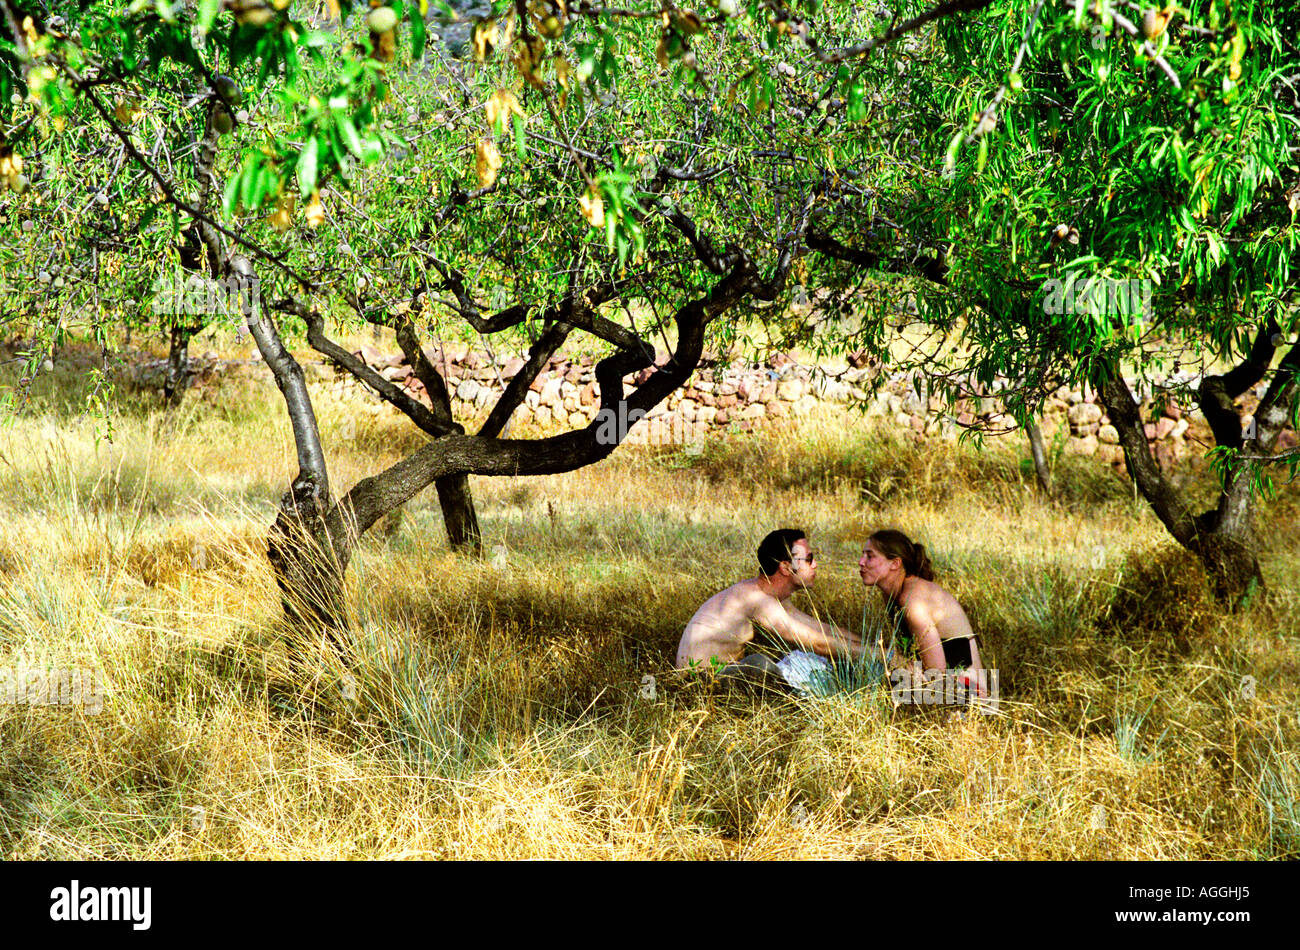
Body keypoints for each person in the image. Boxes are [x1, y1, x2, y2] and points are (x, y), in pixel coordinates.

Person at [675, 529, 868, 693]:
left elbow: (821, 631)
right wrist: (882, 657)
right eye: (808, 559)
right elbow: (819, 644)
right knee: (761, 665)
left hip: (719, 675)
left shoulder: (771, 596)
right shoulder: (756, 599)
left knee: (804, 659)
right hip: (699, 683)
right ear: (785, 567)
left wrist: (876, 648)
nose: (815, 564)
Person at [858, 529, 987, 700]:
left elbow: (936, 674)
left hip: (966, 698)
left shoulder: (912, 600)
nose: (861, 562)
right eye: (862, 555)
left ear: (895, 563)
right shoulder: (897, 594)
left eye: (870, 556)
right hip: (952, 692)